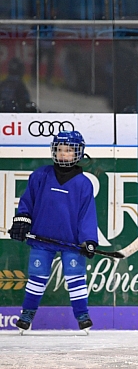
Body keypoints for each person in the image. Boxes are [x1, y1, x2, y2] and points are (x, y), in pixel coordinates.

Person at [8, 130, 98, 334]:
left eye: (69, 150)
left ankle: (82, 315)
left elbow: (87, 215)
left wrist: (89, 239)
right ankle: (27, 315)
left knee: (75, 277)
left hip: (71, 242)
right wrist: (22, 220)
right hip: (42, 239)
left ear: (78, 153)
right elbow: (27, 202)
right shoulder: (40, 175)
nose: (64, 154)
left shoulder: (84, 183)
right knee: (37, 277)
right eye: (60, 150)